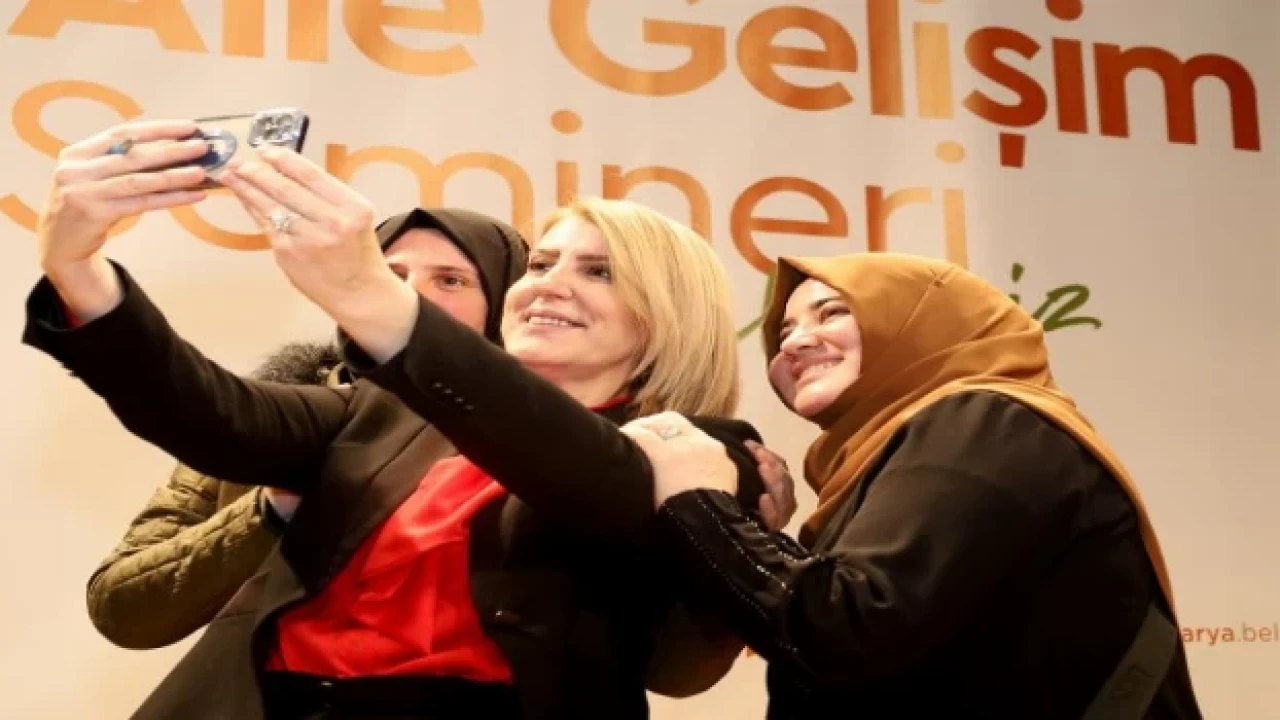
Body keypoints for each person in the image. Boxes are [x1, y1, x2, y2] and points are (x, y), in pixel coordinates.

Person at [22, 118, 784, 719]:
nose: (547, 284)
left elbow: (588, 476)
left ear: (668, 314)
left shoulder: (707, 452)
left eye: (598, 271)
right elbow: (211, 415)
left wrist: (370, 296)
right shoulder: (382, 409)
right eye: (541, 264)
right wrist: (80, 273)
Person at [624, 253, 1204, 719]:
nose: (793, 343)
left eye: (830, 313)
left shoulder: (985, 419)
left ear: (926, 320)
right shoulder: (883, 461)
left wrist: (697, 499)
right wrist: (747, 529)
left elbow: (848, 627)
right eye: (784, 331)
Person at [85, 207, 531, 650]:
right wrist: (272, 510)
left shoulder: (531, 437)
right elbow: (122, 611)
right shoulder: (268, 416)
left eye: (450, 280)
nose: (410, 294)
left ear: (504, 303)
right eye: (390, 275)